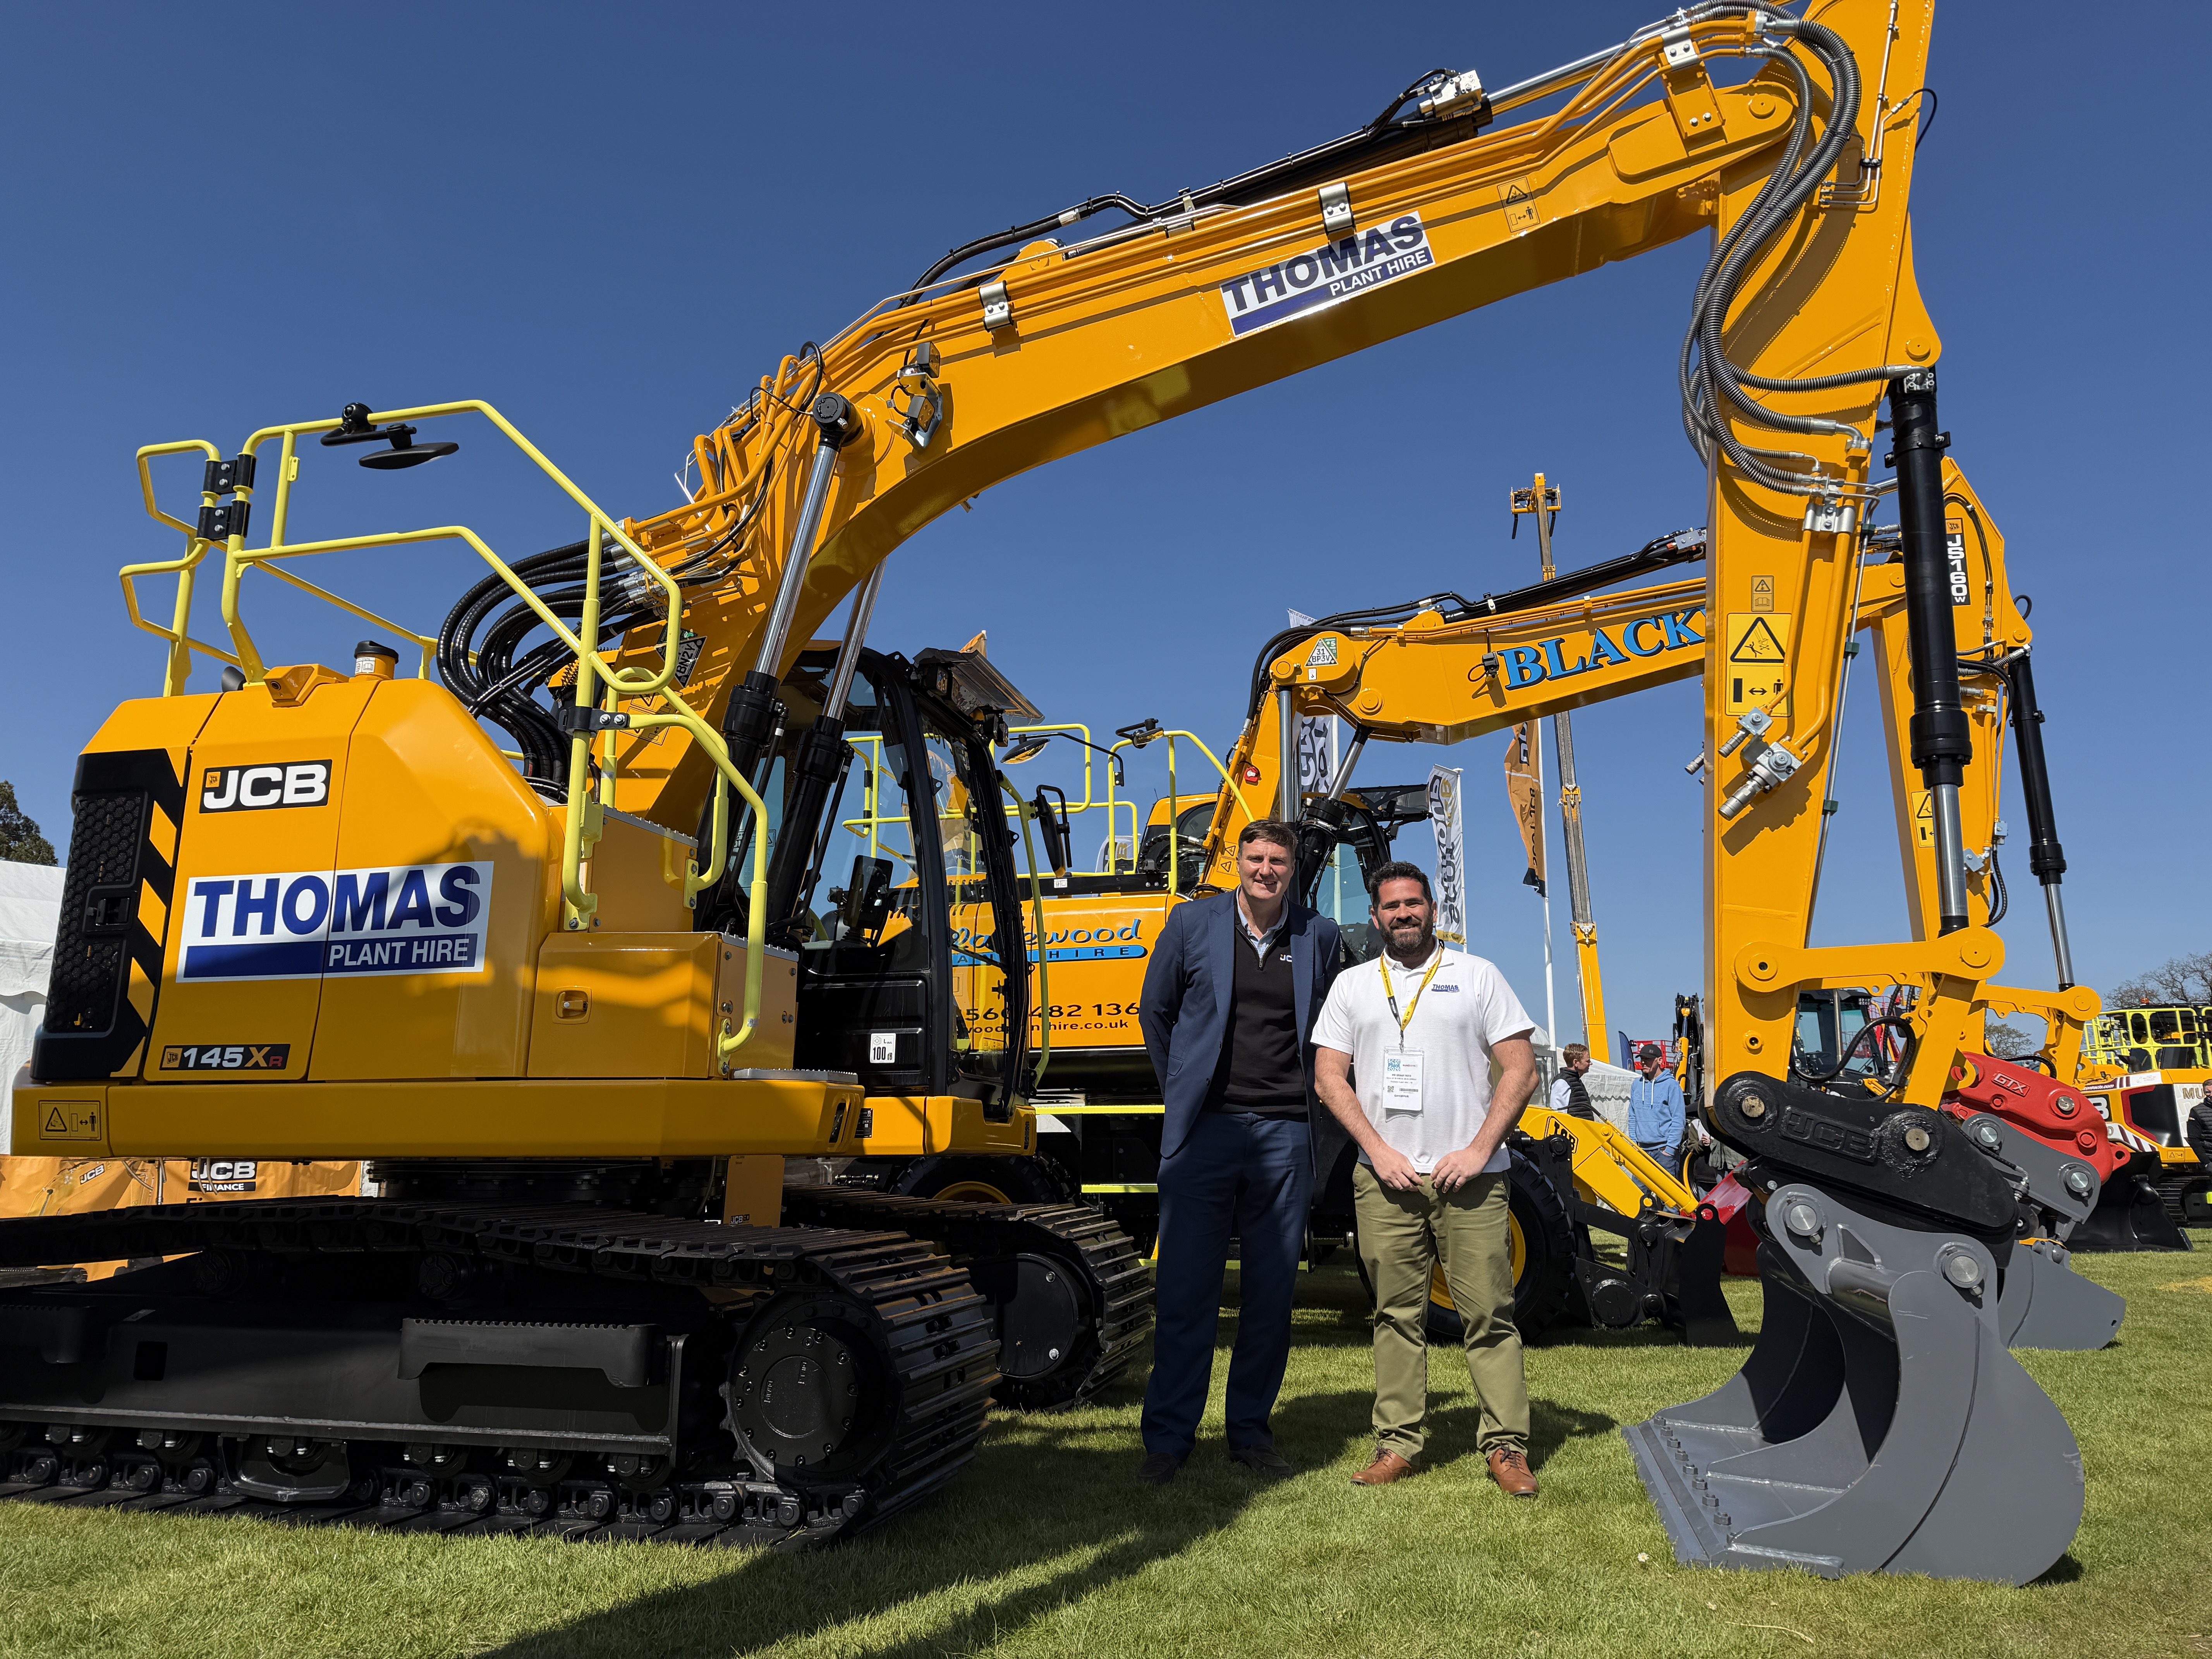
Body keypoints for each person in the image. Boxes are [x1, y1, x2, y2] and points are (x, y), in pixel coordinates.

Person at [1312, 860, 1542, 1498]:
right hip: (1384, 1178)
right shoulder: (1353, 986)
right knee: (1393, 1314)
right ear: (1376, 916)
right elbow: (1329, 1076)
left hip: (1469, 1177)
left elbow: (1520, 1069)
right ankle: (1398, 1444)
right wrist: (1377, 1149)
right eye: (1391, 906)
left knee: (1490, 1313)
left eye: (1414, 903)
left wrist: (1476, 1149)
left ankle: (1506, 1446)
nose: (1404, 913)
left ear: (1432, 909)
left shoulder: (1477, 976)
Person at [1134, 819, 1343, 1485]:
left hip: (1286, 1134)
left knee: (1270, 1292)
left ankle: (1250, 1432)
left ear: (1291, 868)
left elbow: (1338, 1027)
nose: (1265, 869)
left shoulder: (1321, 934)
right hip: (1207, 1131)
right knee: (1186, 1289)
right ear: (1237, 860)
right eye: (1254, 857)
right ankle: (1168, 1439)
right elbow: (1155, 1011)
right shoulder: (1191, 924)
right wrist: (1183, 1090)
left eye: (1277, 859)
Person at [1628, 1042, 1687, 1170]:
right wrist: (1633, 1144)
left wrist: (1670, 1150)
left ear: (1660, 1060)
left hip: (1664, 1151)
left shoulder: (1671, 1086)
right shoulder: (1637, 1085)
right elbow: (1633, 1116)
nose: (1644, 1062)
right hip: (1642, 1151)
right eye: (1642, 1059)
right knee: (1638, 1190)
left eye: (1648, 1060)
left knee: (1668, 1190)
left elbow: (1679, 1119)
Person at [1549, 1042, 1597, 1119]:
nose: (1590, 1063)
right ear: (1576, 1063)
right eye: (1587, 1061)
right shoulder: (1562, 1083)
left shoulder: (1576, 1081)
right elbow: (1559, 1115)